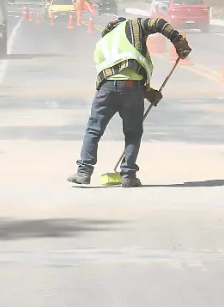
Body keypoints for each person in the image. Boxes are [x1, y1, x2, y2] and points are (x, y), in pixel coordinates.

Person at [67, 16, 192, 188]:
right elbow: (158, 23)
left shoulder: (104, 41)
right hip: (132, 88)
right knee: (132, 132)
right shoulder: (134, 25)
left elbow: (113, 70)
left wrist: (146, 91)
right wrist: (177, 40)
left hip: (106, 88)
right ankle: (128, 175)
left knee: (94, 129)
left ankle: (83, 172)